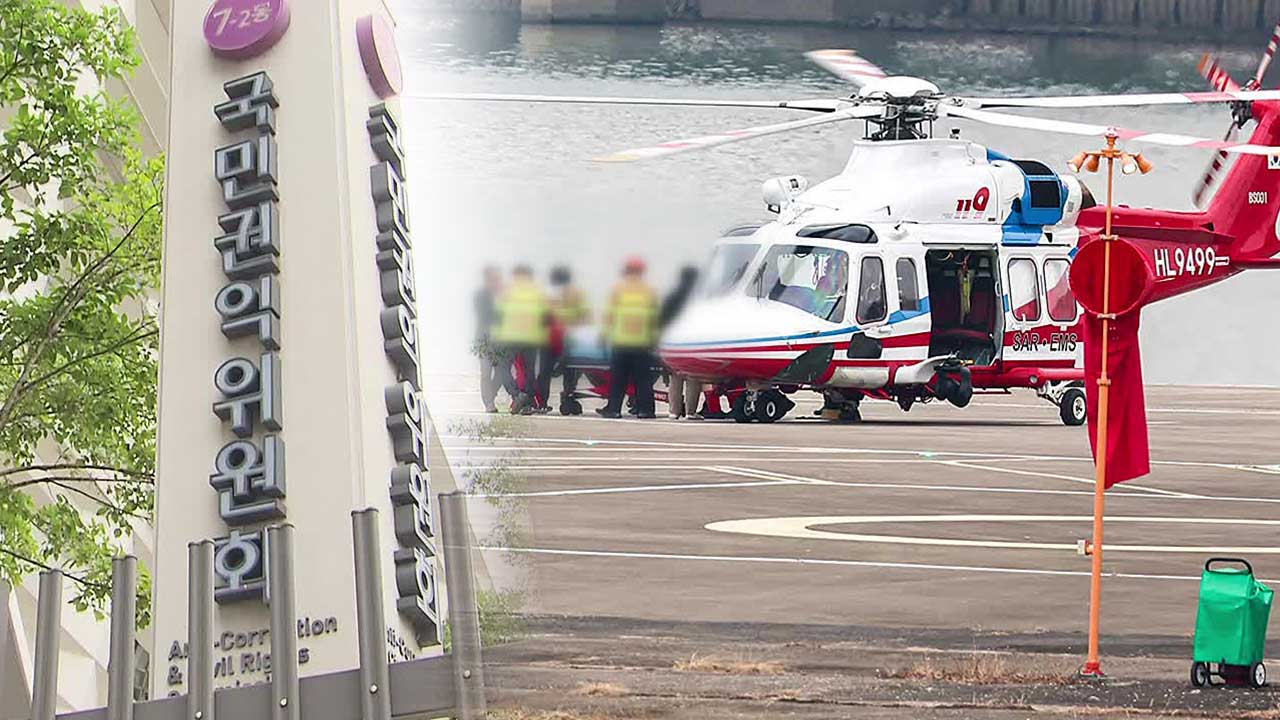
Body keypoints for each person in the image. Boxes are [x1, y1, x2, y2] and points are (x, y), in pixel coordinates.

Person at [597, 257, 658, 419]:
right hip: (643, 342)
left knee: (618, 379)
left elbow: (610, 315)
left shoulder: (618, 289)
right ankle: (646, 410)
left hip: (621, 341)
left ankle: (614, 409)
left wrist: (603, 335)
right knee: (644, 379)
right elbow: (655, 318)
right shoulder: (649, 290)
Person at [492, 265, 550, 414]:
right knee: (529, 371)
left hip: (511, 337)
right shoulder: (537, 292)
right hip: (531, 337)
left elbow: (498, 315)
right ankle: (527, 403)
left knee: (502, 366)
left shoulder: (508, 291)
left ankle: (517, 394)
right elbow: (545, 316)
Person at [546, 265, 591, 414]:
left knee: (547, 371)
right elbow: (585, 315)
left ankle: (541, 400)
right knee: (571, 370)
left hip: (553, 339)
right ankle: (568, 394)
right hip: (571, 338)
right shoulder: (577, 293)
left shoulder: (549, 295)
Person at [660, 265, 703, 420]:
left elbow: (662, 320)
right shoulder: (699, 298)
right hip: (693, 342)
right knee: (693, 378)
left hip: (673, 342)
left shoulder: (672, 296)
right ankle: (691, 412)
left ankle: (673, 411)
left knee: (675, 378)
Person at [474, 265, 504, 412]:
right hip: (484, 340)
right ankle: (488, 404)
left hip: (499, 340)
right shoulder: (481, 295)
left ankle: (490, 395)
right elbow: (486, 316)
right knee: (485, 373)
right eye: (494, 278)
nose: (497, 281)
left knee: (501, 371)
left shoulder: (501, 295)